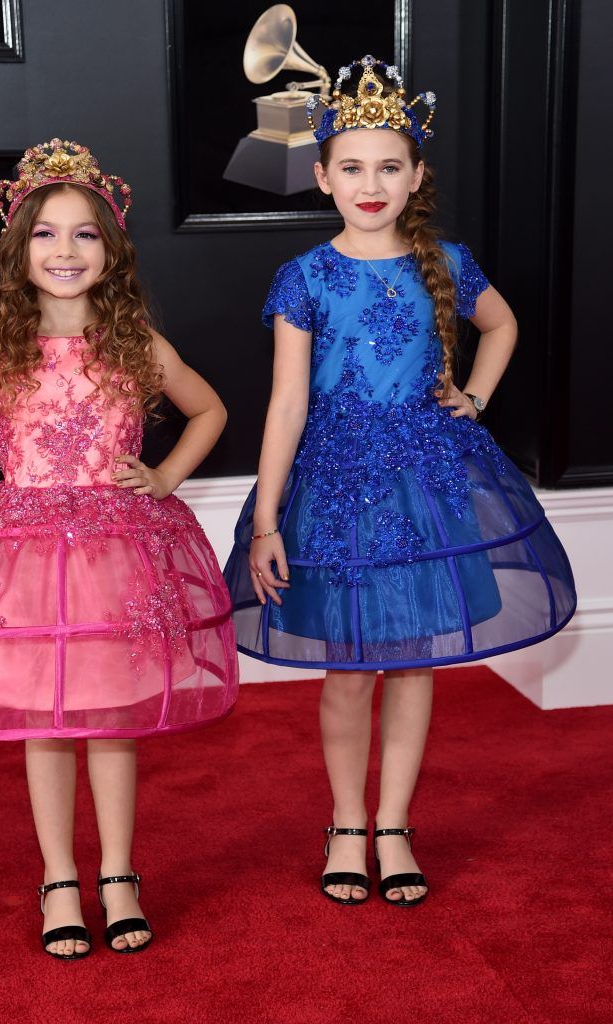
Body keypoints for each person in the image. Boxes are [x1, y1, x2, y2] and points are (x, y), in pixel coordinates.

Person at [223, 58, 575, 908]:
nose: (369, 183)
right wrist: (267, 519)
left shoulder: (445, 261)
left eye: (388, 167)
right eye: (351, 167)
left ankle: (393, 825)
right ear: (321, 177)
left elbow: (502, 325)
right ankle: (346, 823)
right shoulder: (304, 277)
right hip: (335, 489)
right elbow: (286, 404)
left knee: (414, 667)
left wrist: (474, 398)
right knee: (347, 669)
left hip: (424, 484)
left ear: (415, 175)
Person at [0, 139, 238, 958]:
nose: (64, 250)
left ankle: (118, 874)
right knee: (43, 726)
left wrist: (161, 478)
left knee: (110, 723)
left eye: (84, 234)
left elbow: (211, 410)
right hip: (20, 567)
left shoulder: (137, 345)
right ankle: (60, 878)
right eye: (46, 235)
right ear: (19, 253)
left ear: (111, 250)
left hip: (114, 564)